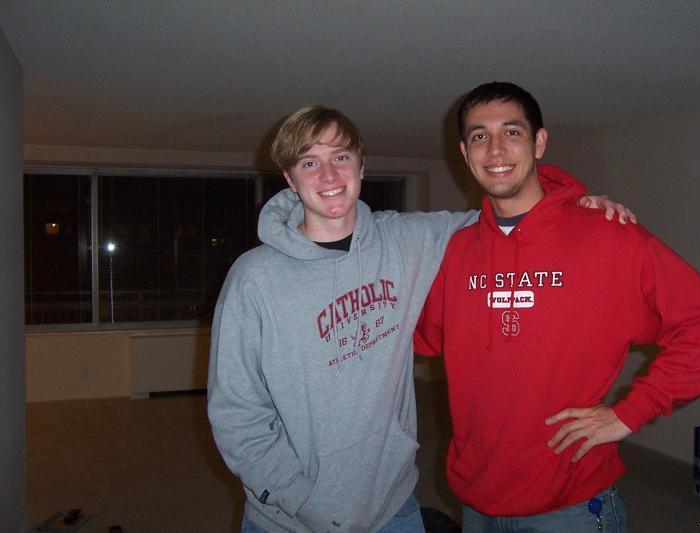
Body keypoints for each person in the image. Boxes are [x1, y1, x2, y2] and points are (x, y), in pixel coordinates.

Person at [207, 105, 633, 533]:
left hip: (392, 508)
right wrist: (300, 499)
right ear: (290, 178)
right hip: (289, 520)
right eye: (310, 163)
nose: (329, 175)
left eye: (341, 157)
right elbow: (235, 413)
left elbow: (509, 217)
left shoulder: (408, 240)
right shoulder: (254, 278)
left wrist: (574, 208)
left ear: (361, 165)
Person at [414, 82, 700, 532]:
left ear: (539, 142)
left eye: (511, 132)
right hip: (476, 503)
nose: (495, 149)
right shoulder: (455, 251)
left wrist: (629, 412)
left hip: (571, 507)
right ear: (465, 154)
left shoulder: (608, 236)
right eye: (479, 136)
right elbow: (413, 335)